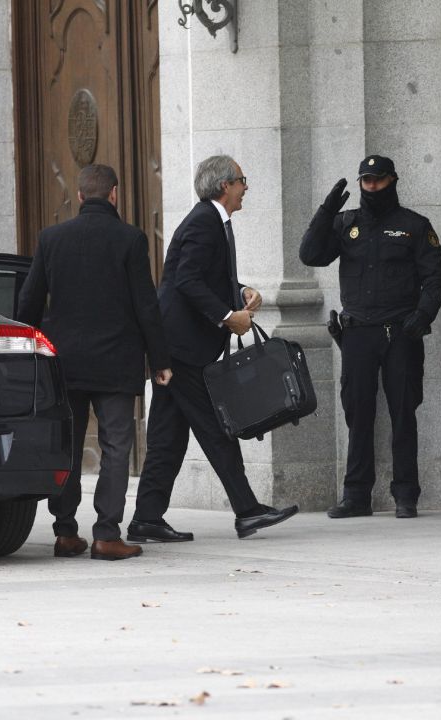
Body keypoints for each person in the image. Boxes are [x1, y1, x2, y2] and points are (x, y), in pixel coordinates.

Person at [128, 155, 299, 542]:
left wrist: (240, 291)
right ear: (225, 185)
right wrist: (227, 316)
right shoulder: (205, 221)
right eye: (242, 180)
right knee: (216, 429)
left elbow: (203, 275)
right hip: (183, 350)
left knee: (168, 437)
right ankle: (247, 511)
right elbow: (186, 280)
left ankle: (146, 519)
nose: (246, 187)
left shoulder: (212, 221)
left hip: (178, 349)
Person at [18, 163, 172, 560]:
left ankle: (66, 533)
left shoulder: (51, 238)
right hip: (116, 363)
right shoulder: (131, 239)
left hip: (65, 364)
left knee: (67, 447)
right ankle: (106, 534)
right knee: (117, 446)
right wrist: (160, 361)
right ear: (115, 194)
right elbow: (146, 306)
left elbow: (29, 302)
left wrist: (24, 353)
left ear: (81, 196)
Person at [300, 155, 441, 519]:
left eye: (378, 181)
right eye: (366, 181)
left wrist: (422, 316)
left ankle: (405, 494)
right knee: (358, 413)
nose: (372, 187)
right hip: (358, 334)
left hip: (400, 331)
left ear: (392, 180)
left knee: (403, 412)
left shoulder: (414, 226)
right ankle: (356, 496)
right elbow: (310, 255)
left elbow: (435, 278)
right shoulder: (345, 223)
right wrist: (325, 212)